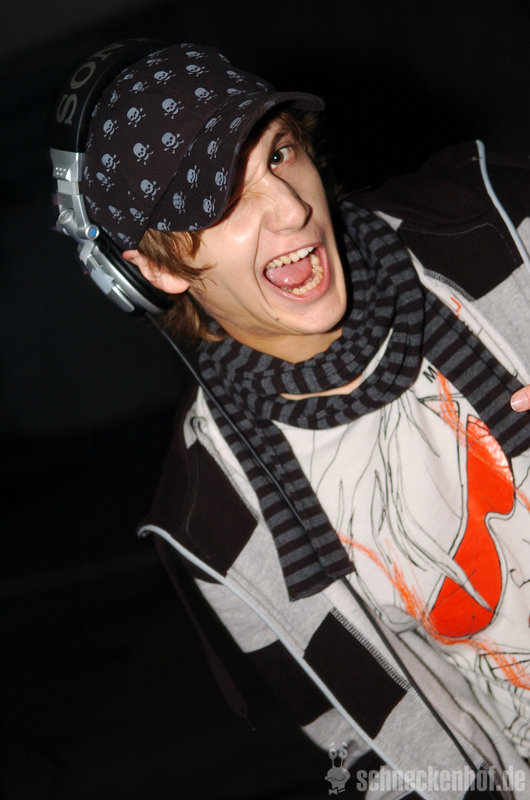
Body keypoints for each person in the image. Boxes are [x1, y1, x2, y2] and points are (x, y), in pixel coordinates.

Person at [78, 41, 530, 799]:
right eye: (221, 198)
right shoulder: (216, 520)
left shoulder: (500, 223)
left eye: (280, 153)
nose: (291, 208)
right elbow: (382, 759)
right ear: (153, 269)